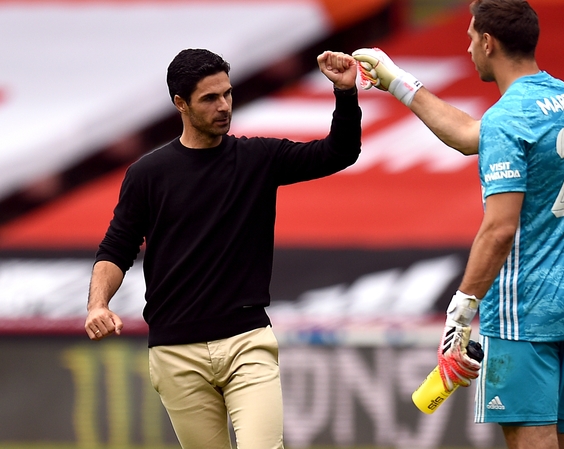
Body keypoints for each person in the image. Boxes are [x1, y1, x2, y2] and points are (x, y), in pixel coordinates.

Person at [83, 48, 362, 449]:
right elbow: (115, 248)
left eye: (227, 94)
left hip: (247, 342)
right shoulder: (147, 174)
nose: (224, 106)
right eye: (210, 98)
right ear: (180, 104)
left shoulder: (257, 158)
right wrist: (98, 305)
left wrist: (345, 94)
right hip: (175, 352)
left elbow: (339, 152)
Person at [353, 1, 564, 448]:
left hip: (524, 313)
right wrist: (395, 80)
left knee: (534, 441)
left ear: (489, 42)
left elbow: (500, 228)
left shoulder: (508, 118)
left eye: (470, 38)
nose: (467, 48)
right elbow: (469, 135)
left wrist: (462, 311)